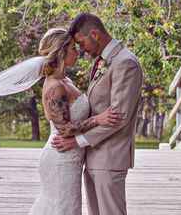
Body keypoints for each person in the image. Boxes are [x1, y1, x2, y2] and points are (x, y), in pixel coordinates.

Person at [51, 14, 143, 215]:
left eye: (81, 44)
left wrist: (77, 141)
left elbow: (118, 117)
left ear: (94, 34)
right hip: (93, 157)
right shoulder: (102, 61)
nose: (81, 51)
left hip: (110, 158)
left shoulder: (126, 63)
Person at [28, 27, 124, 215]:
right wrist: (98, 119)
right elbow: (63, 129)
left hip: (72, 158)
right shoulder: (55, 87)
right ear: (61, 52)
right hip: (61, 157)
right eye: (73, 48)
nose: (78, 51)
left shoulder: (66, 81)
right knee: (64, 209)